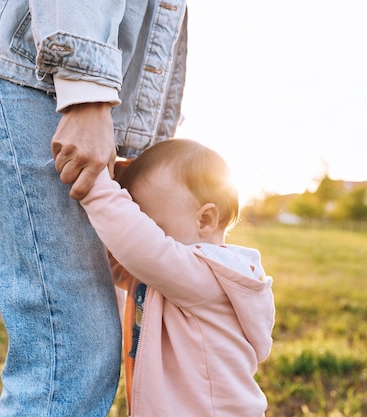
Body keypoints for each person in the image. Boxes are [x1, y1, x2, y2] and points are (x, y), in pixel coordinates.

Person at [0, 1, 188, 416]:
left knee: (78, 345)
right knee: (70, 351)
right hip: (36, 80)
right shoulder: (78, 94)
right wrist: (86, 94)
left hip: (66, 89)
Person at [79, 139, 276, 417]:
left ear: (205, 220)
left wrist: (95, 180)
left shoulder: (205, 275)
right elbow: (125, 263)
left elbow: (139, 246)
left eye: (153, 227)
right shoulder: (177, 276)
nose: (145, 232)